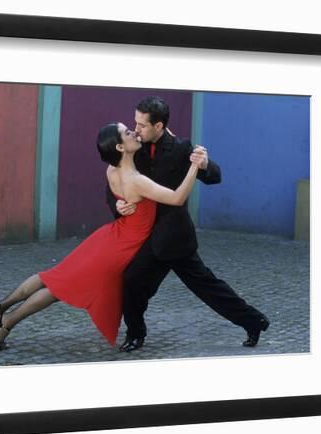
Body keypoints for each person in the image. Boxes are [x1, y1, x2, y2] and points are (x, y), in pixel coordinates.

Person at [0, 122, 206, 351]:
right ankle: (6, 321)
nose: (135, 132)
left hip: (109, 238)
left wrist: (120, 204)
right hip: (119, 247)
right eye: (128, 132)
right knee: (58, 287)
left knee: (53, 276)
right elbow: (177, 198)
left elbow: (122, 195)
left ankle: (0, 306)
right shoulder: (137, 181)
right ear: (120, 147)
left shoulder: (112, 170)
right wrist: (194, 166)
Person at [107, 96, 270, 352]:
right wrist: (116, 205)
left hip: (175, 237)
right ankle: (135, 334)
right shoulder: (133, 148)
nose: (136, 129)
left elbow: (215, 176)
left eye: (142, 125)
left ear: (159, 126)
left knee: (208, 287)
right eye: (135, 123)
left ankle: (253, 321)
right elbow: (117, 180)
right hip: (148, 238)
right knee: (132, 281)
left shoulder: (182, 148)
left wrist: (204, 164)